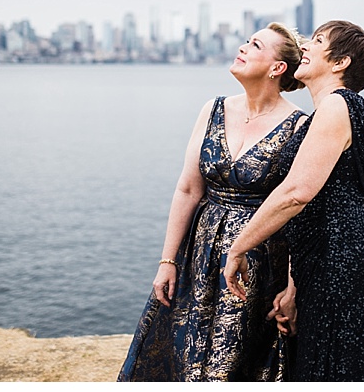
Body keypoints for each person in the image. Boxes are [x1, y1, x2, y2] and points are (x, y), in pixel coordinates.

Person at [118, 22, 308, 382]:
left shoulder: (300, 126)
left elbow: (299, 212)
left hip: (257, 264)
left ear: (277, 68)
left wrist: (291, 286)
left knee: (235, 362)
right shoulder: (214, 109)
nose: (242, 47)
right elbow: (189, 189)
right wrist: (167, 261)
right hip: (198, 256)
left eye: (255, 45)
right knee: (179, 353)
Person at [223, 20, 364, 382]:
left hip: (344, 265)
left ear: (340, 63)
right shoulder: (342, 111)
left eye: (318, 41)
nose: (306, 46)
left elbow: (296, 194)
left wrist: (238, 247)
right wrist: (294, 285)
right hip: (338, 261)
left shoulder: (337, 106)